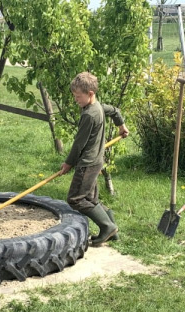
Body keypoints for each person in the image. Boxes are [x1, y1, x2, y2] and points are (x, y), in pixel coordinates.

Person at [59, 72, 129, 246]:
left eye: (78, 97)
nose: (76, 100)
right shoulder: (98, 107)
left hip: (88, 164)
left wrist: (68, 163)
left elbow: (78, 145)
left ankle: (107, 226)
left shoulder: (89, 115)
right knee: (91, 200)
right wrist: (121, 126)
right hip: (97, 161)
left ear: (90, 93)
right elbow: (114, 110)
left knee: (76, 199)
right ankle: (112, 229)